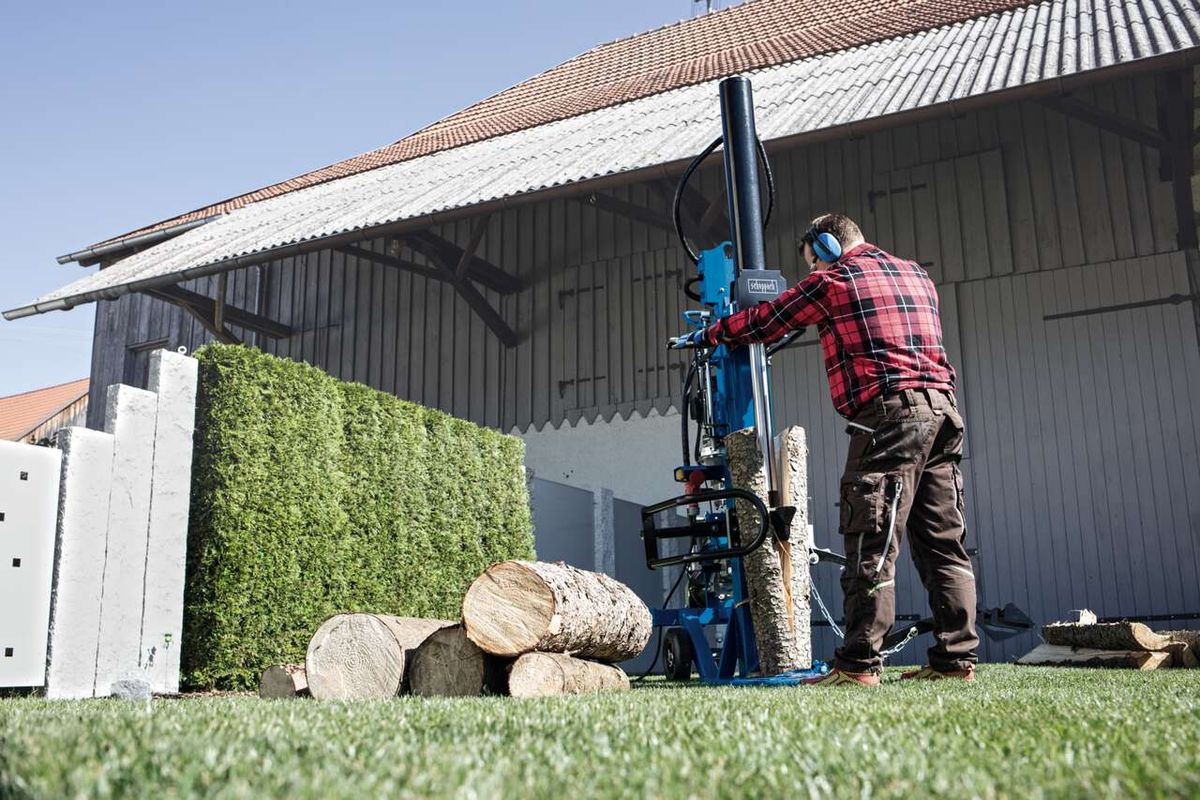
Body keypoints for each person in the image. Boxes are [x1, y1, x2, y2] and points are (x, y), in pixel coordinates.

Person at [671, 213, 979, 685]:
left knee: (871, 540)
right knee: (943, 543)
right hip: (943, 414)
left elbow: (768, 320)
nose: (812, 270)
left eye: (812, 261)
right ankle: (955, 660)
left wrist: (712, 333)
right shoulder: (916, 273)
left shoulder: (834, 280)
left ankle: (858, 665)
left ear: (827, 247)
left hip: (889, 419)